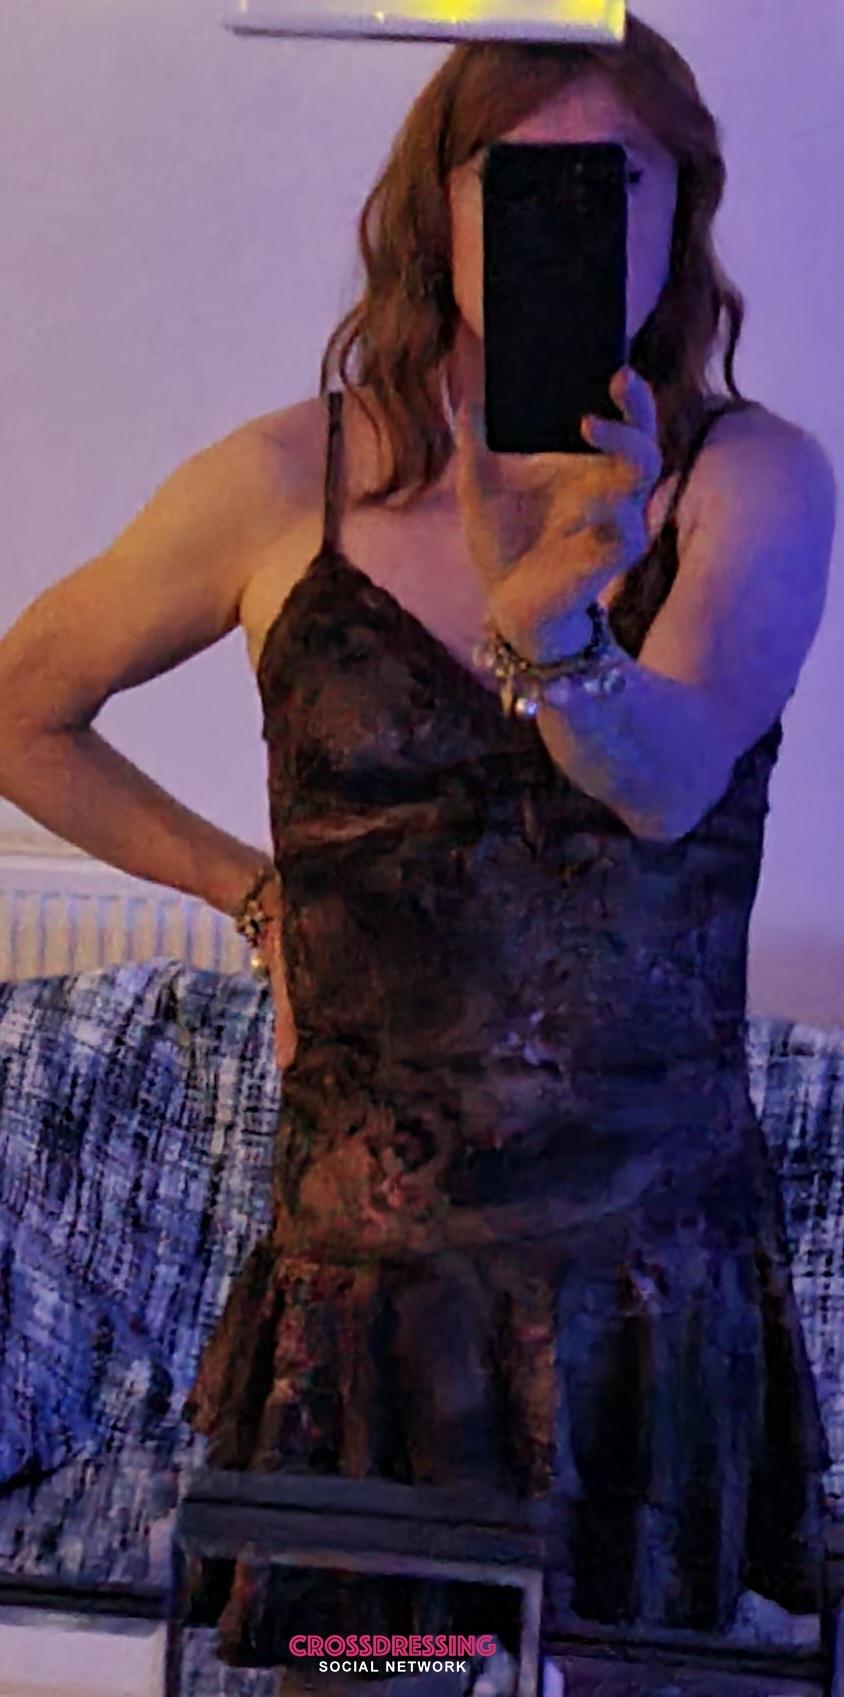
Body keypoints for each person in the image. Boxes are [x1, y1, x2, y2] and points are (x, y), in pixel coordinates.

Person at [0, 13, 838, 1696]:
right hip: (366, 1323)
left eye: (616, 182)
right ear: (435, 208)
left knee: (624, 1680)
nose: (566, 222)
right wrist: (249, 889)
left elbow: (666, 780)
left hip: (641, 1311)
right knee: (366, 1674)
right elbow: (24, 709)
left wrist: (561, 639)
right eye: (515, 181)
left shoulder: (747, 483)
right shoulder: (279, 488)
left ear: (682, 211)